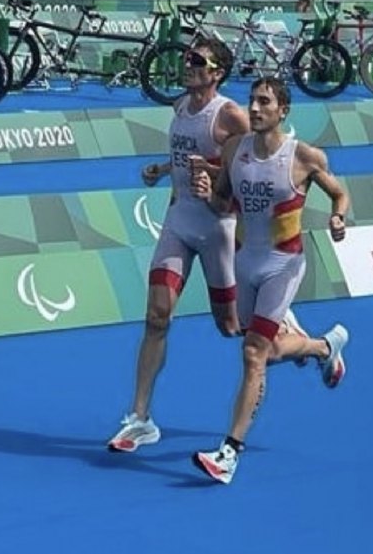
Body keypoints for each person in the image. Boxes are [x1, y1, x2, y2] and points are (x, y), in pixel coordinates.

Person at [190, 76, 350, 484]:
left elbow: (339, 192)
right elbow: (223, 202)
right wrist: (208, 190)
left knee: (253, 354)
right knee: (261, 345)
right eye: (252, 101)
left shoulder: (305, 157)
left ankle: (229, 452)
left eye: (265, 102)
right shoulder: (234, 150)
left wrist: (337, 217)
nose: (256, 109)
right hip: (244, 262)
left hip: (284, 264)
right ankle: (322, 346)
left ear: (283, 111)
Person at [106, 37, 250, 452]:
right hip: (179, 219)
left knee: (231, 328)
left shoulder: (230, 116)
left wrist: (214, 173)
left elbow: (248, 165)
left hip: (217, 227)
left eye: (197, 60)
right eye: (187, 57)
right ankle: (140, 418)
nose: (187, 65)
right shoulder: (179, 107)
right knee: (156, 316)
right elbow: (187, 153)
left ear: (217, 72)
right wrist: (164, 167)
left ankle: (313, 345)